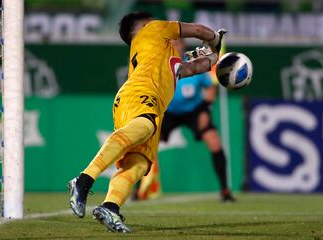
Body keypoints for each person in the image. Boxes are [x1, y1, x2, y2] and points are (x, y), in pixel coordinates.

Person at [68, 11, 226, 233]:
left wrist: (213, 57)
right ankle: (83, 180)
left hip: (147, 103)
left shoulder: (167, 57)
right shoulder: (153, 29)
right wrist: (215, 39)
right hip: (139, 94)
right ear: (143, 26)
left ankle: (110, 207)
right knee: (145, 126)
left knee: (139, 164)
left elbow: (195, 68)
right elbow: (199, 31)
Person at [135, 39, 235, 202]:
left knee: (215, 143)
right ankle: (138, 190)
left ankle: (225, 191)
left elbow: (209, 87)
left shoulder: (193, 65)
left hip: (194, 111)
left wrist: (206, 110)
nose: (175, 46)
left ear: (183, 47)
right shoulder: (158, 66)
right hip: (168, 112)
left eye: (178, 43)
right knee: (145, 145)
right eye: (172, 43)